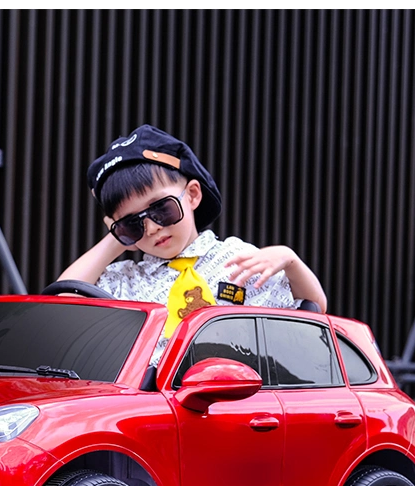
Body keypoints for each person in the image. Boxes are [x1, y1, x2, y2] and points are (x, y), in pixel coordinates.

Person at [57, 124, 327, 361]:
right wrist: (117, 239)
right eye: (132, 223)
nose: (151, 228)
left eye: (161, 208)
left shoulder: (239, 258)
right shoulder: (125, 280)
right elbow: (62, 304)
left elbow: (312, 310)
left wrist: (290, 261)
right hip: (149, 407)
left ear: (193, 195)